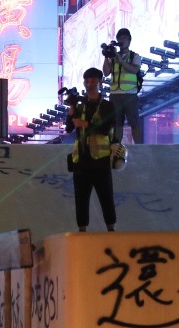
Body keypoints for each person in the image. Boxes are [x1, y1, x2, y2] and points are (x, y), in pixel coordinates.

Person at [66, 67, 117, 232]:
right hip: (81, 161)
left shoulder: (108, 106)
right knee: (81, 200)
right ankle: (82, 231)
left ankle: (111, 229)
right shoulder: (81, 107)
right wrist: (72, 108)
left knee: (106, 197)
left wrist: (86, 124)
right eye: (87, 81)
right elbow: (68, 128)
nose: (90, 84)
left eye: (93, 80)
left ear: (100, 82)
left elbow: (106, 128)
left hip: (101, 161)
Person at [102, 27, 143, 144]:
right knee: (116, 124)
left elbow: (134, 70)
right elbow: (106, 72)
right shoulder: (113, 57)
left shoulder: (134, 56)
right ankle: (115, 149)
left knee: (134, 122)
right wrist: (107, 56)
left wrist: (120, 59)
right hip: (115, 94)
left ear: (129, 40)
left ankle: (140, 148)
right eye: (120, 38)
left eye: (124, 38)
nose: (122, 40)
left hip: (130, 94)